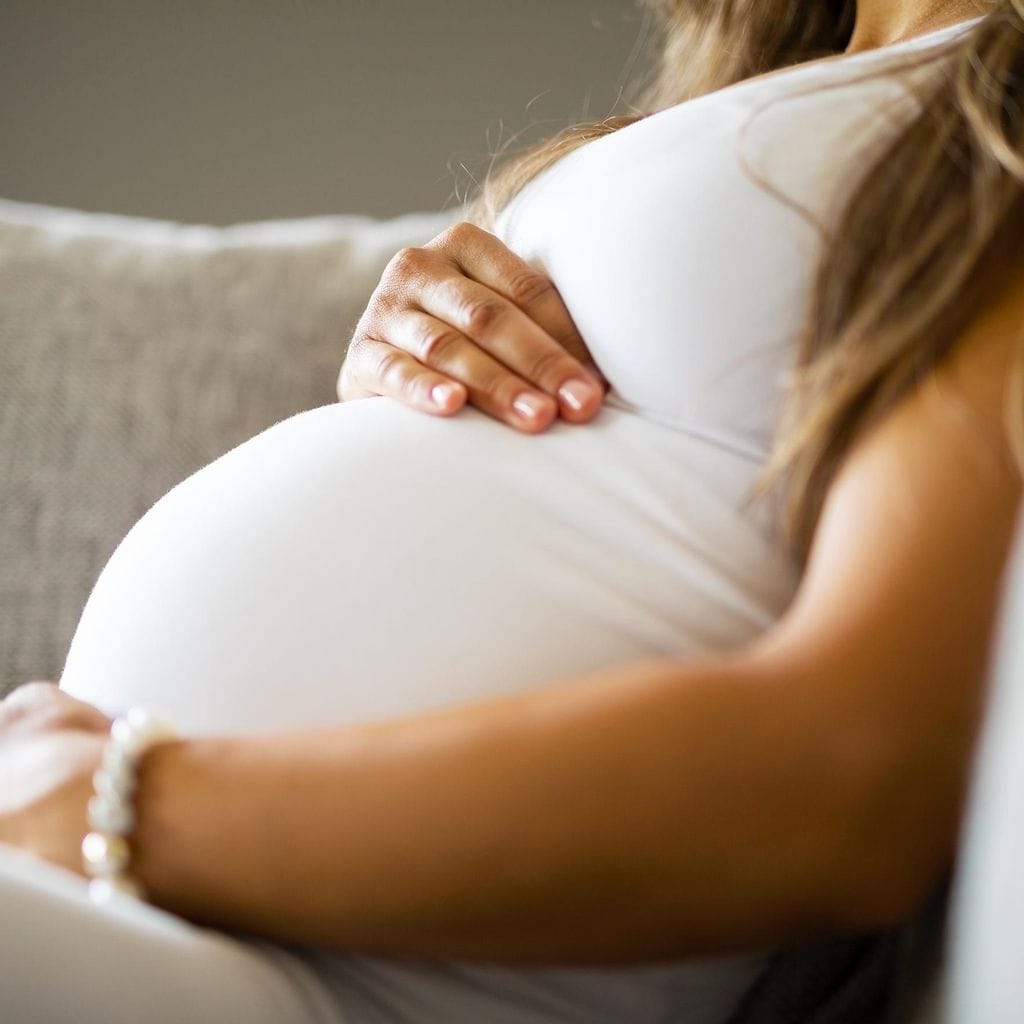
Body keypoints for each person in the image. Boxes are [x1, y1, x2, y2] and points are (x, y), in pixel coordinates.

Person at [1, 0, 1020, 1021]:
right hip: (171, 909)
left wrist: (127, 805)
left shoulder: (998, 118)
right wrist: (425, 358)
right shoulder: (813, 83)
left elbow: (850, 774)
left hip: (361, 978)